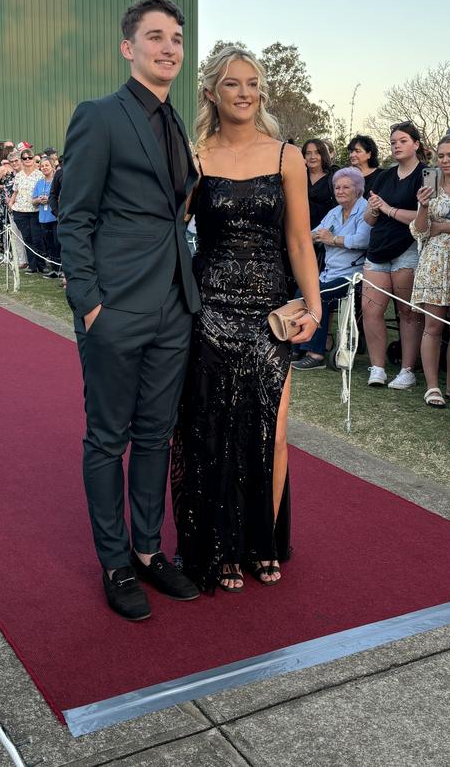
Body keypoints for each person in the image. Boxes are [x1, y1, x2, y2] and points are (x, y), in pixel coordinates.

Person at [58, 0, 202, 621]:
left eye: (175, 38)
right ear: (128, 48)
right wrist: (89, 305)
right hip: (115, 307)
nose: (168, 47)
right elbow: (75, 216)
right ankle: (114, 562)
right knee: (107, 437)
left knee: (154, 435)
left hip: (174, 304)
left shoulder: (176, 124)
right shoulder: (100, 116)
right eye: (155, 38)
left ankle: (148, 550)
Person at [171, 45, 321, 593]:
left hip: (268, 313)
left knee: (272, 433)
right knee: (210, 431)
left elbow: (299, 242)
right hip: (207, 309)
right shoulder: (195, 156)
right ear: (212, 92)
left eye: (253, 83)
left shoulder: (285, 155)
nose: (245, 93)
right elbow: (167, 228)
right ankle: (221, 545)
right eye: (233, 83)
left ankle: (261, 541)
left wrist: (314, 305)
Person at [410, 133, 450, 407]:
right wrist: (423, 206)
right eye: (441, 155)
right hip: (434, 263)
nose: (444, 160)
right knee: (433, 326)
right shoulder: (430, 186)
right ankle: (432, 386)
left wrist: (446, 226)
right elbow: (420, 230)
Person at [362, 121, 426, 389]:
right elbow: (369, 219)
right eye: (393, 142)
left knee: (407, 312)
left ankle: (407, 370)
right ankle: (377, 367)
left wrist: (388, 209)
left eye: (402, 141)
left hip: (407, 250)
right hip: (378, 251)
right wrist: (376, 210)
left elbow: (425, 217)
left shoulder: (426, 175)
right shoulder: (383, 176)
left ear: (416, 144)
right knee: (370, 310)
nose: (396, 145)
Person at [292, 166, 371, 370]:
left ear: (357, 189)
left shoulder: (365, 210)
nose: (340, 191)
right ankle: (299, 345)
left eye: (346, 187)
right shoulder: (334, 212)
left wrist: (332, 239)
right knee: (301, 291)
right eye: (337, 188)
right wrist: (318, 236)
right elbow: (311, 234)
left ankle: (315, 354)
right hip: (330, 273)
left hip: (354, 275)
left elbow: (362, 240)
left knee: (317, 295)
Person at [9, 148, 45, 274]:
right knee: (27, 238)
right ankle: (32, 266)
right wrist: (11, 203)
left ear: (34, 158)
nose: (27, 160)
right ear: (22, 160)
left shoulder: (39, 174)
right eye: (24, 158)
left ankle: (42, 265)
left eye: (30, 157)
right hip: (20, 211)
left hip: (35, 211)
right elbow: (15, 192)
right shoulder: (18, 175)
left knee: (37, 238)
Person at [32, 156, 61, 278]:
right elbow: (33, 201)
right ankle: (54, 269)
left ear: (52, 166)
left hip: (55, 217)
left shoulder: (57, 181)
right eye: (42, 166)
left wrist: (50, 200)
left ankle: (61, 269)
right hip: (43, 218)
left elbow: (61, 198)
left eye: (47, 165)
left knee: (58, 243)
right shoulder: (39, 183)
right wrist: (39, 200)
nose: (44, 168)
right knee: (49, 245)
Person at [302, 138, 334, 229]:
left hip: (325, 231)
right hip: (300, 230)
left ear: (323, 155)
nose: (312, 157)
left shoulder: (333, 177)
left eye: (317, 153)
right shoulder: (298, 176)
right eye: (308, 153)